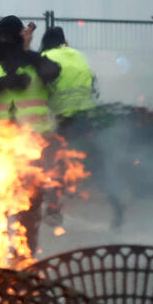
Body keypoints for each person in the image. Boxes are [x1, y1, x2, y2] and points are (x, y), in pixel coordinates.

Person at [0, 15, 60, 252]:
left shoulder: (35, 62)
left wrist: (28, 55)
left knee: (29, 206)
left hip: (31, 147)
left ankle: (26, 256)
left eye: (9, 38)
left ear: (19, 39)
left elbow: (53, 72)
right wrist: (4, 83)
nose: (3, 42)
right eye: (0, 38)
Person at [39, 24, 123, 227]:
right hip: (87, 118)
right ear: (64, 41)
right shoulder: (78, 56)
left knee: (52, 162)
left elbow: (42, 92)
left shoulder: (47, 58)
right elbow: (93, 87)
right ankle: (117, 205)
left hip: (65, 120)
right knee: (97, 163)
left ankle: (53, 209)